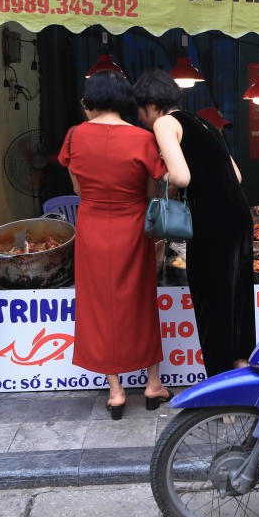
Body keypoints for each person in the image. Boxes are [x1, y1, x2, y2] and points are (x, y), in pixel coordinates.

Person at [58, 70, 172, 420]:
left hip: (92, 228)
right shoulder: (142, 138)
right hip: (135, 227)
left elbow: (77, 189)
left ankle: (116, 391)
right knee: (141, 303)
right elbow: (152, 193)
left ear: (90, 100)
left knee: (98, 305)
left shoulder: (75, 136)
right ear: (124, 98)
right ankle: (153, 384)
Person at [134, 70, 254, 377]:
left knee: (212, 302)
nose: (140, 117)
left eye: (139, 109)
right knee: (237, 297)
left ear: (150, 104)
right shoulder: (204, 123)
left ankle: (222, 389)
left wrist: (163, 177)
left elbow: (182, 177)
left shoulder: (164, 123)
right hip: (239, 216)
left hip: (211, 220)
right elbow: (236, 176)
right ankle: (242, 371)